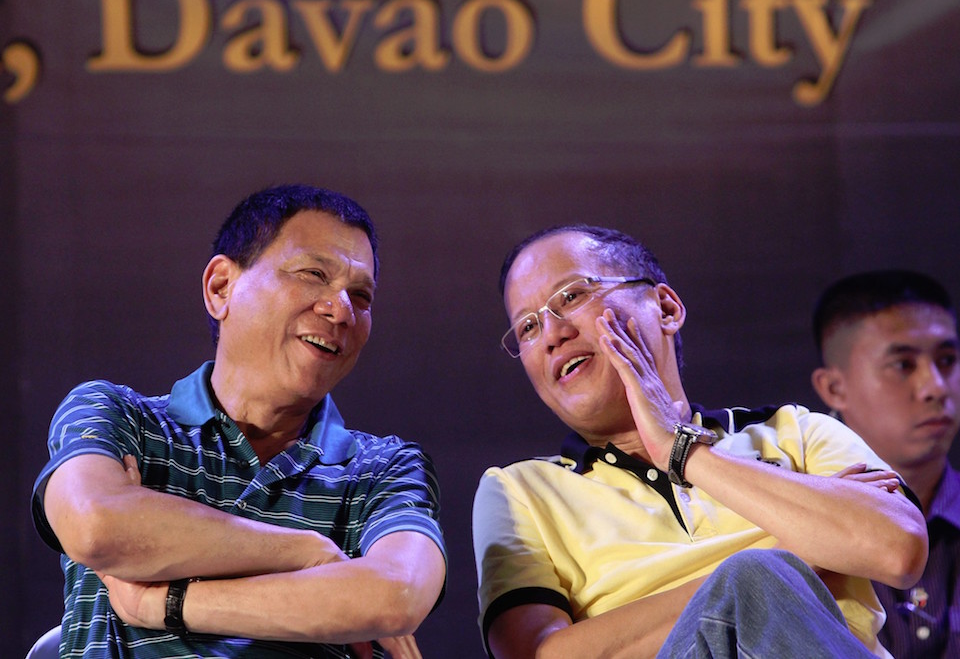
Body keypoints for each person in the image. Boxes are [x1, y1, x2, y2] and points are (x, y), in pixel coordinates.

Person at [472, 224, 928, 659]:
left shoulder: (798, 431)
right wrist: (793, 557)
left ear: (666, 308)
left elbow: (897, 547)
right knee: (755, 579)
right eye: (528, 327)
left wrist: (683, 449)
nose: (552, 334)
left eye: (571, 296)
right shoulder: (521, 491)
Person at [31, 185, 446, 659]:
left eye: (362, 295)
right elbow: (94, 525)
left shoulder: (383, 467)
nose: (342, 310)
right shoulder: (119, 415)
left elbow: (397, 595)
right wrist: (309, 554)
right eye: (314, 274)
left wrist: (164, 601)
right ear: (220, 288)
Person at [811, 269, 960, 658]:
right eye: (903, 365)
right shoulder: (802, 531)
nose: (936, 388)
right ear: (834, 388)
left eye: (947, 360)